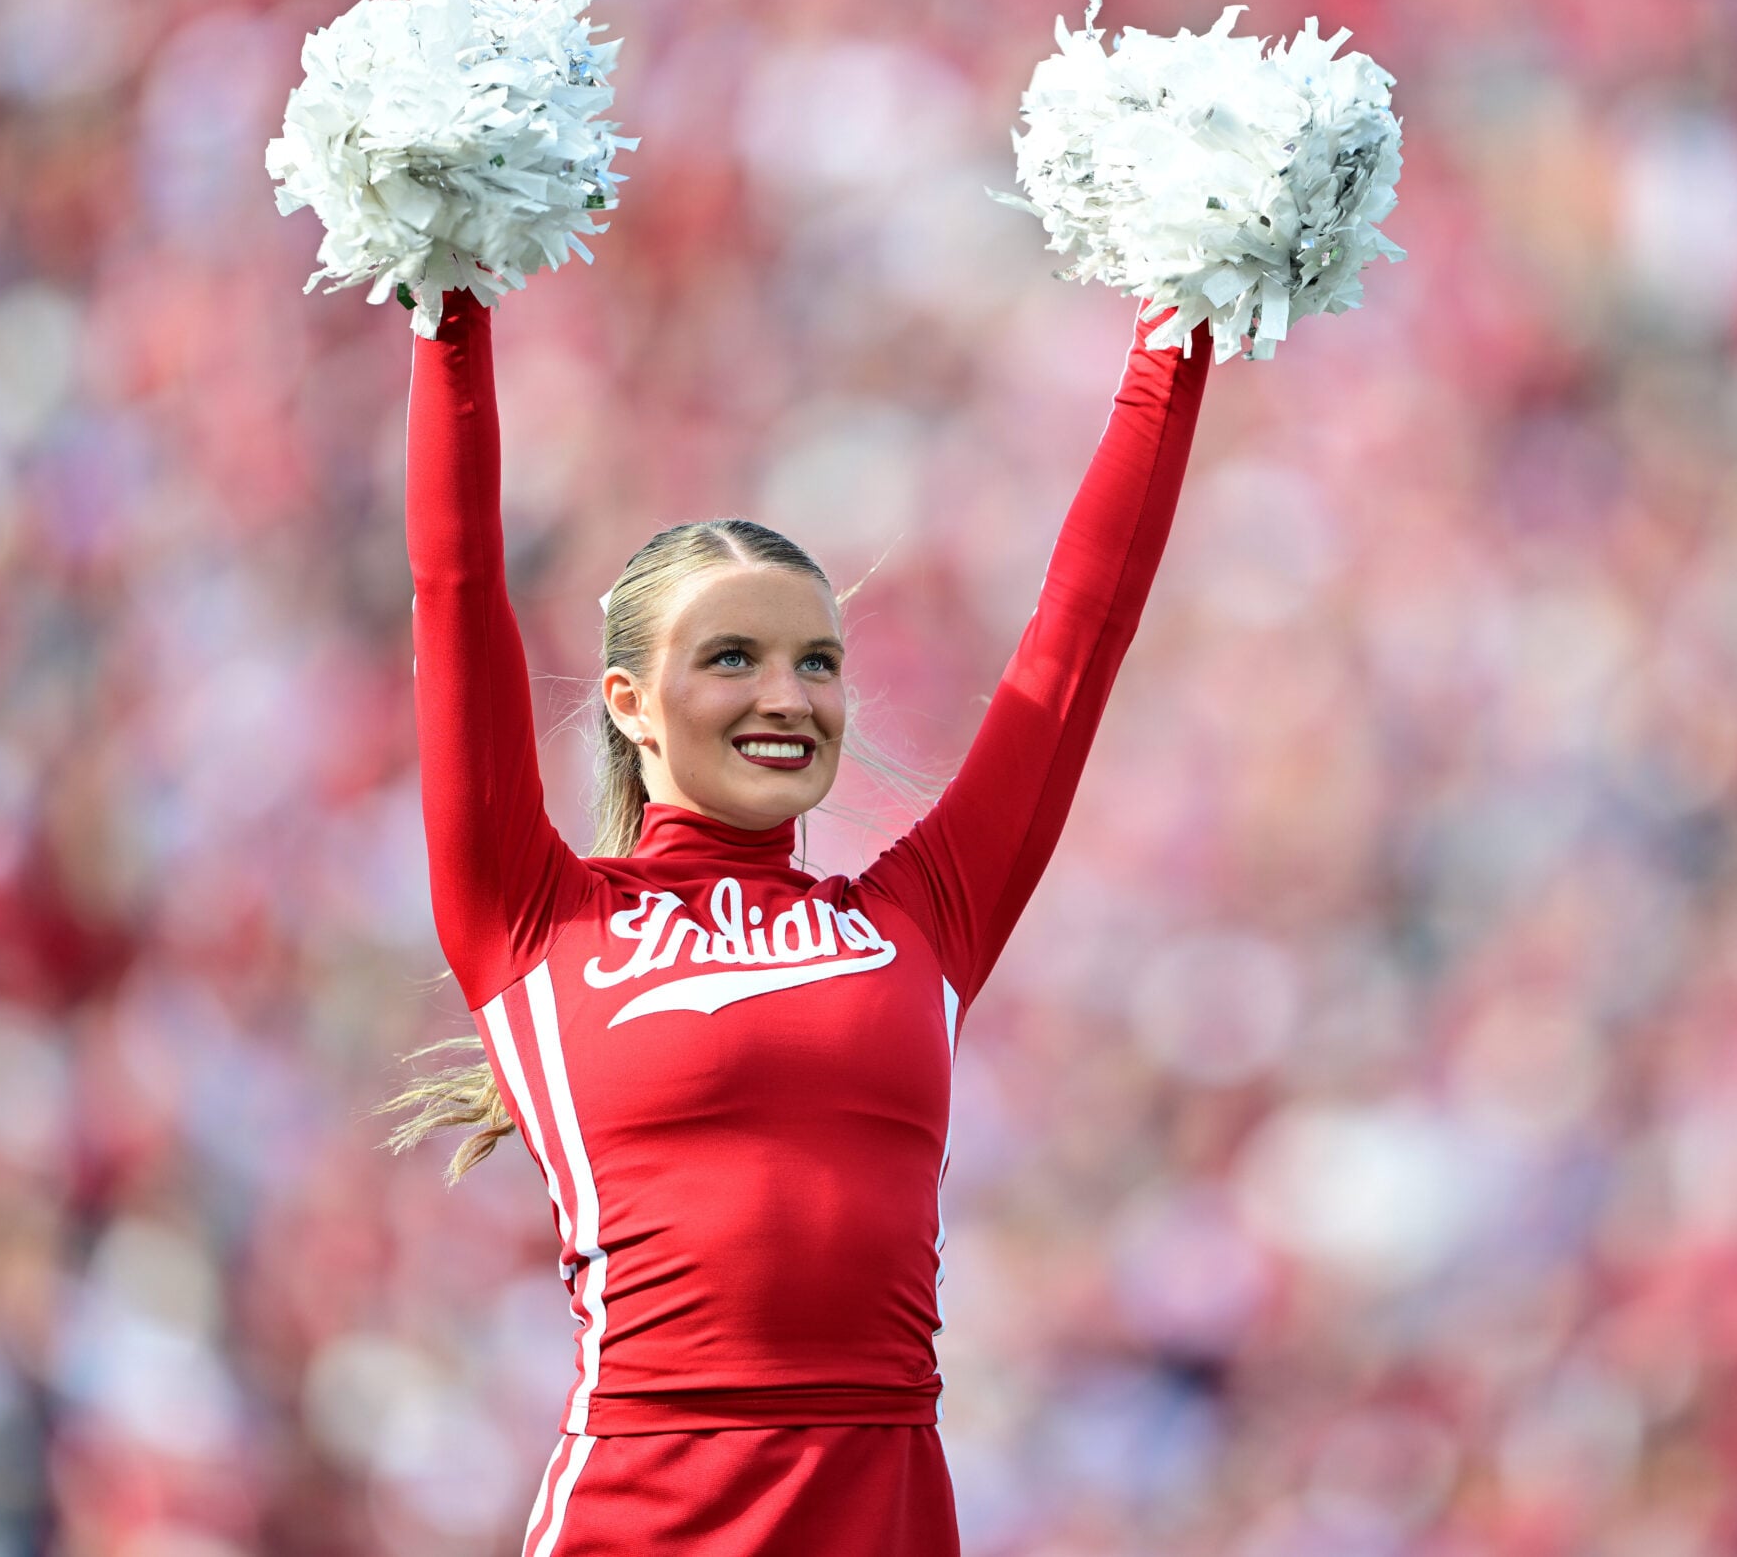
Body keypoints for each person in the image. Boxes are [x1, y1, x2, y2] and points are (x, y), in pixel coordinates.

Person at [385, 284, 1212, 1555]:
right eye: (731, 659)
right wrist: (451, 303)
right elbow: (456, 589)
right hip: (644, 1515)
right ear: (628, 700)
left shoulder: (921, 918)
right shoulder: (531, 916)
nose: (789, 697)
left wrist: (1181, 326)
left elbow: (1078, 638)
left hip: (884, 1511)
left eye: (817, 661)